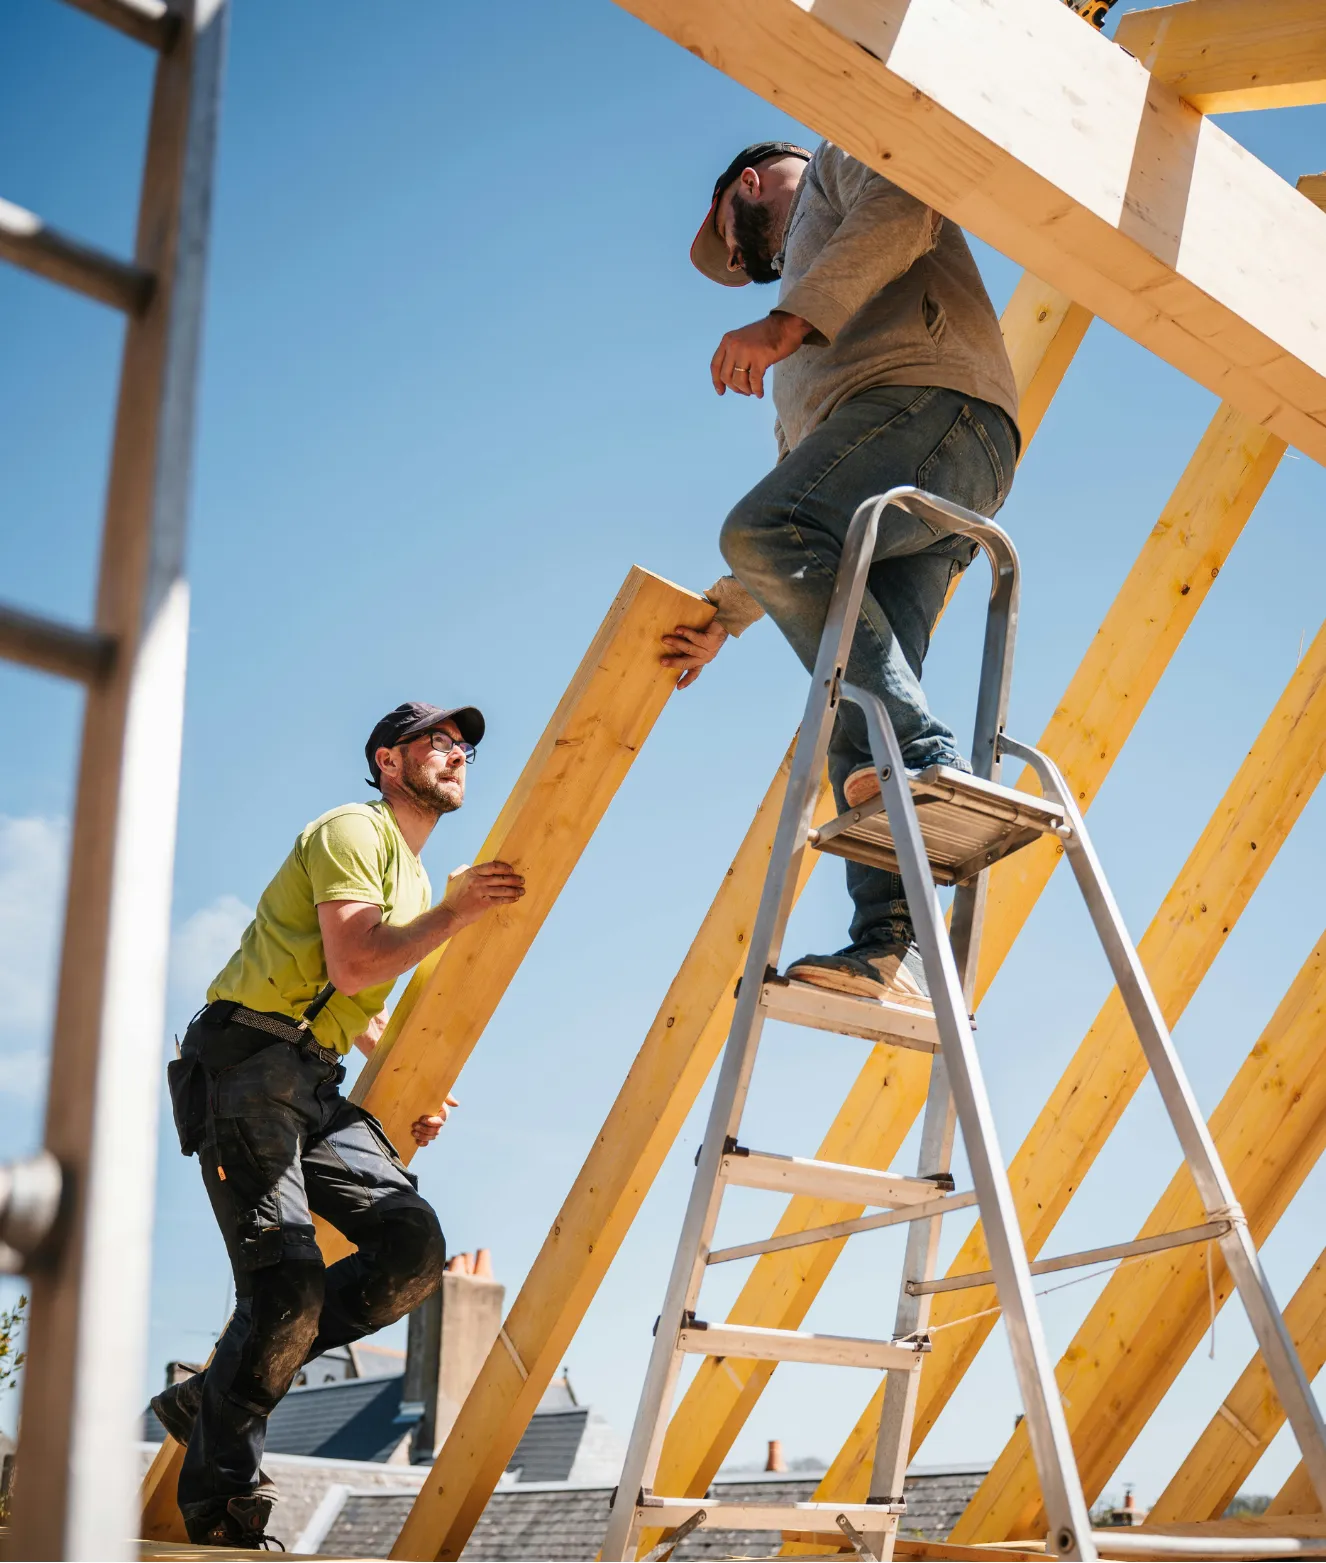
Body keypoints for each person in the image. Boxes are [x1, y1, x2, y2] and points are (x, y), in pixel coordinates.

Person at [155, 701, 525, 1548]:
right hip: (246, 1061)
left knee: (410, 1253)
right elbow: (355, 960)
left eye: (465, 744)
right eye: (439, 740)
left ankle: (209, 1395)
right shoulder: (351, 832)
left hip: (313, 1079)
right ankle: (222, 1513)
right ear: (388, 760)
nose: (458, 753)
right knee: (284, 1285)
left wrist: (419, 1086)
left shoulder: (417, 880)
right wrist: (461, 913)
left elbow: (357, 1007)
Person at [661, 140, 1020, 1007]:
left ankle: (930, 753)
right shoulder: (806, 317)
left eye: (738, 251)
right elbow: (807, 509)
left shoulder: (842, 153)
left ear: (743, 189)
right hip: (902, 454)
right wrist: (729, 614)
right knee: (853, 702)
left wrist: (784, 327)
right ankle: (890, 949)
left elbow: (904, 200)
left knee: (763, 532)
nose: (755, 271)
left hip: (932, 408)